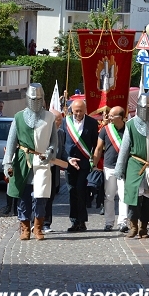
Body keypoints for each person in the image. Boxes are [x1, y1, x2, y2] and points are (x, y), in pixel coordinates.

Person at [3, 83, 58, 241]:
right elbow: (11, 142)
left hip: (41, 161)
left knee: (41, 196)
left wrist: (50, 152)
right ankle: (25, 227)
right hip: (23, 160)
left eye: (38, 99)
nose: (35, 102)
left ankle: (38, 227)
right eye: (33, 99)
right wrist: (7, 163)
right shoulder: (19, 117)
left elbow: (54, 142)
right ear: (28, 99)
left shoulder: (49, 117)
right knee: (23, 195)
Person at [114, 93, 149, 239]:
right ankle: (133, 226)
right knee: (132, 197)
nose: (145, 110)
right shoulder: (131, 124)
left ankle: (144, 226)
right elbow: (124, 148)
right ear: (138, 107)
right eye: (143, 107)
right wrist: (120, 167)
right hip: (135, 165)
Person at [61, 98, 99, 232]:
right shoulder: (65, 122)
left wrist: (94, 162)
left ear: (85, 111)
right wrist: (67, 158)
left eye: (81, 111)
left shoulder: (92, 123)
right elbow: (61, 143)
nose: (78, 114)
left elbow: (96, 144)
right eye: (76, 111)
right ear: (71, 110)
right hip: (69, 163)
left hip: (84, 164)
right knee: (72, 192)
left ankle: (82, 221)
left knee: (81, 191)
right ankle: (74, 221)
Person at [93, 105, 127, 231]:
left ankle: (123, 222)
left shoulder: (128, 129)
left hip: (124, 168)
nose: (109, 117)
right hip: (109, 167)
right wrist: (94, 164)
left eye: (112, 115)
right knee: (109, 196)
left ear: (121, 117)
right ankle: (109, 222)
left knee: (124, 196)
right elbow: (98, 148)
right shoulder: (105, 130)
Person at [42, 109, 68, 233]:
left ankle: (46, 223)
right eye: (58, 120)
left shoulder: (61, 133)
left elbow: (62, 151)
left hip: (54, 169)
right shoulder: (43, 132)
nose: (60, 123)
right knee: (40, 196)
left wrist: (69, 159)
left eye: (61, 121)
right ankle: (35, 222)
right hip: (41, 168)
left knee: (51, 196)